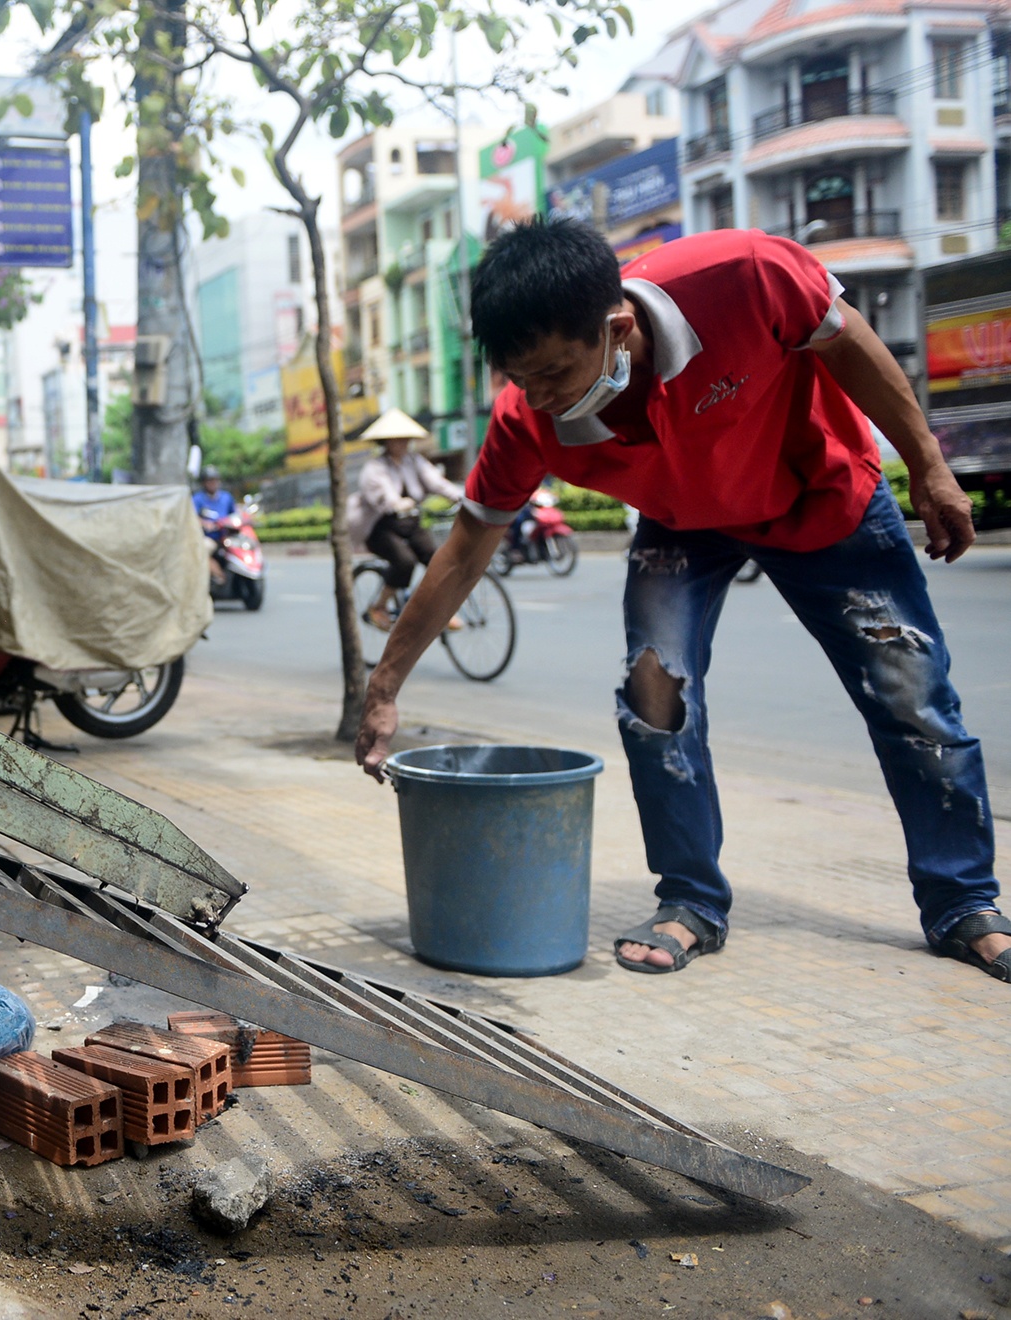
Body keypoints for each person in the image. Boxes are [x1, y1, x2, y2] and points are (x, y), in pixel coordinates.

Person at [353, 218, 1007, 985]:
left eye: (557, 372)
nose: (541, 397)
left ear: (617, 328)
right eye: (520, 377)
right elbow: (464, 552)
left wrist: (929, 466)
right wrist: (385, 686)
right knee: (653, 693)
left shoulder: (743, 274)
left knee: (912, 696)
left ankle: (964, 902)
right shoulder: (525, 415)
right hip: (683, 523)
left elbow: (849, 341)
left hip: (825, 500)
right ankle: (690, 900)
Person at [343, 411, 464, 629]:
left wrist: (462, 498)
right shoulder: (375, 468)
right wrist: (397, 503)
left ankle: (440, 612)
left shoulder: (415, 461)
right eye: (396, 439)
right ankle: (379, 606)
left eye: (404, 438)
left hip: (410, 523)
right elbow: (383, 494)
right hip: (380, 529)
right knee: (405, 562)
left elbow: (437, 482)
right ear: (385, 442)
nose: (402, 443)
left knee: (438, 560)